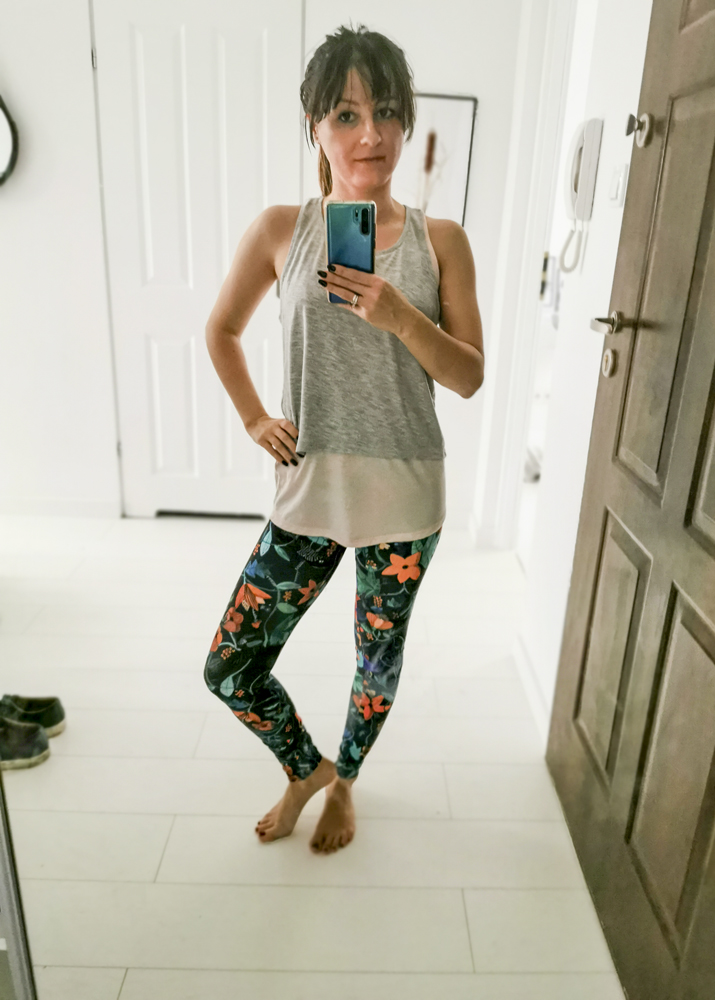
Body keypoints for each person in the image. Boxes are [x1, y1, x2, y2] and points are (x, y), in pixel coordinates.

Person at [203, 23, 483, 855]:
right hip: (308, 489)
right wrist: (254, 416)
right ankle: (307, 769)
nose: (373, 135)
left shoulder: (441, 241)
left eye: (388, 111)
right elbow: (221, 330)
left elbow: (468, 376)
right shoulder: (280, 230)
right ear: (315, 127)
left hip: (405, 498)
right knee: (230, 665)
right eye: (349, 115)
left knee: (374, 663)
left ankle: (347, 784)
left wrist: (399, 316)